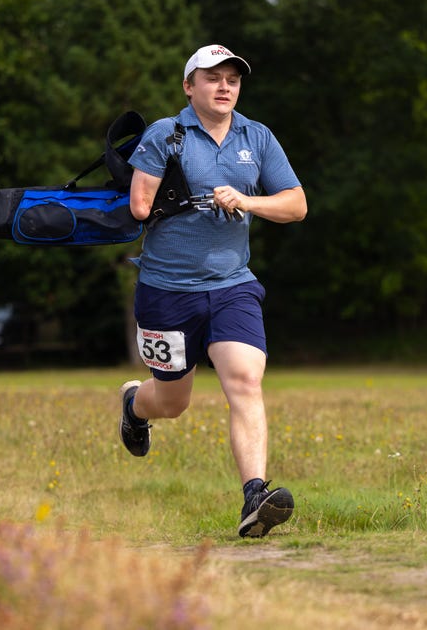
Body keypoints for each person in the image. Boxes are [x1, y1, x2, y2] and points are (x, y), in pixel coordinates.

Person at [118, 44, 307, 538]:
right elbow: (140, 206)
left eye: (232, 79)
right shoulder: (166, 134)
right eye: (212, 78)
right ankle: (135, 405)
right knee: (173, 403)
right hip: (166, 290)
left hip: (232, 286)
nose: (224, 87)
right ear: (189, 86)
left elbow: (296, 205)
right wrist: (191, 196)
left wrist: (245, 199)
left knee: (245, 381)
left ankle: (255, 496)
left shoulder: (257, 136)